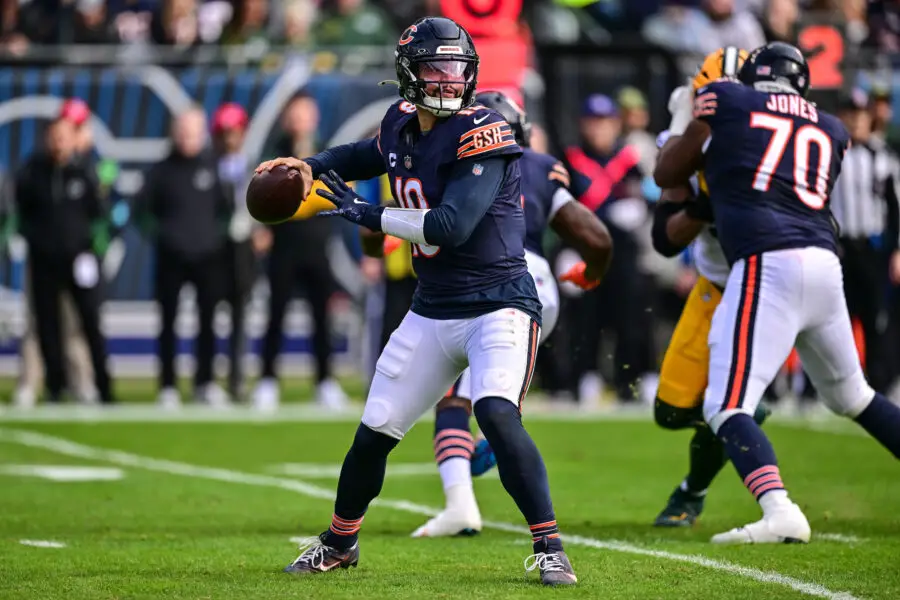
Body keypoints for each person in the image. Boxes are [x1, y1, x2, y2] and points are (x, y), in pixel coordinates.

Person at [257, 17, 577, 584]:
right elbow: (364, 155)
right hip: (434, 306)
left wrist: (363, 212)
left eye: (457, 68)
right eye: (437, 67)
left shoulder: (486, 131)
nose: (450, 80)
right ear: (408, 73)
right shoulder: (401, 121)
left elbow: (450, 227)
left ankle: (550, 546)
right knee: (376, 426)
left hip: (499, 302)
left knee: (496, 412)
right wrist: (312, 165)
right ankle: (340, 541)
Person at [655, 41, 900, 544]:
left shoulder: (727, 101)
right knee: (854, 395)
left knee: (725, 406)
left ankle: (779, 509)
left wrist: (691, 123)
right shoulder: (830, 127)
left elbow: (666, 172)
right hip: (822, 262)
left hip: (766, 265)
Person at [405, 90, 612, 538]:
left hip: (491, 283)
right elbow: (595, 235)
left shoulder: (454, 156)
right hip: (540, 287)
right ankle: (488, 448)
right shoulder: (539, 165)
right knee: (495, 397)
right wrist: (594, 271)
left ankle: (461, 503)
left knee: (457, 398)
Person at [649, 47, 773, 528]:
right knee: (672, 411)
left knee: (850, 393)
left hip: (770, 277)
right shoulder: (687, 126)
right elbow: (664, 236)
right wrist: (706, 205)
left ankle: (693, 491)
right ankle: (738, 416)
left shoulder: (778, 137)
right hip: (718, 280)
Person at [252, 91, 349, 412]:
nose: (300, 120)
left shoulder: (326, 151)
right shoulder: (276, 152)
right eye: (295, 113)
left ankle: (325, 381)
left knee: (322, 316)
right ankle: (267, 381)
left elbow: (334, 193)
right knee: (276, 314)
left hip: (317, 240)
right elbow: (264, 195)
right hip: (285, 242)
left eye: (305, 113)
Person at [134, 107, 232, 409]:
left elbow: (226, 211)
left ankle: (205, 383)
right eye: (184, 131)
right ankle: (167, 385)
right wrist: (163, 237)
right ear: (174, 133)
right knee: (168, 321)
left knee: (207, 321)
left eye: (194, 131)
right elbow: (140, 212)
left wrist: (215, 237)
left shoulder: (213, 166)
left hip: (207, 257)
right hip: (171, 258)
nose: (188, 137)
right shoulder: (161, 171)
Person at [13, 117, 114, 405]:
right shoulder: (33, 172)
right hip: (44, 259)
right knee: (47, 325)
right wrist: (33, 239)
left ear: (74, 139)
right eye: (54, 136)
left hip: (79, 259)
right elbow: (20, 212)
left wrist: (94, 243)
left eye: (64, 136)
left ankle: (102, 386)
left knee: (89, 323)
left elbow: (102, 214)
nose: (59, 142)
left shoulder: (85, 172)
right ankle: (55, 386)